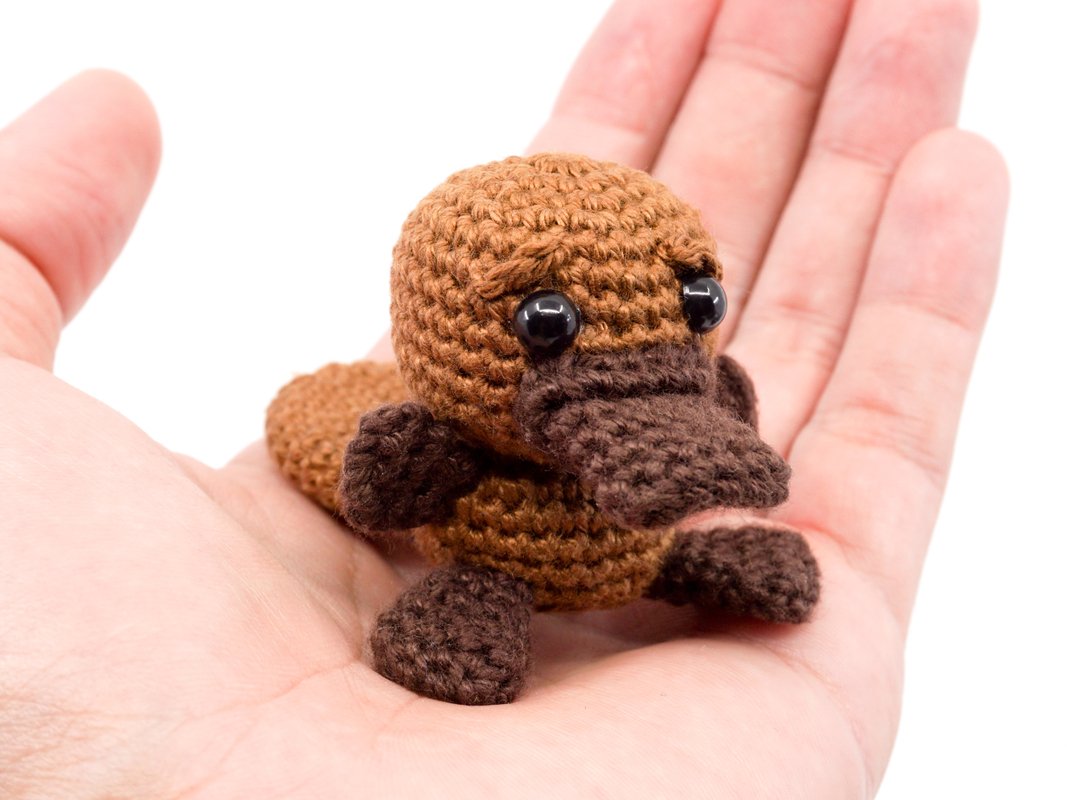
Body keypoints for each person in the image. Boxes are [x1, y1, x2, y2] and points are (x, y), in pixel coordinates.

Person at [0, 0, 1007, 795]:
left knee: (673, 549)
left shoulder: (698, 397)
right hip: (485, 562)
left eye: (695, 300)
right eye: (547, 320)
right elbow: (384, 493)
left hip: (639, 550)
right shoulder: (449, 442)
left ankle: (676, 562)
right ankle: (483, 595)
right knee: (481, 585)